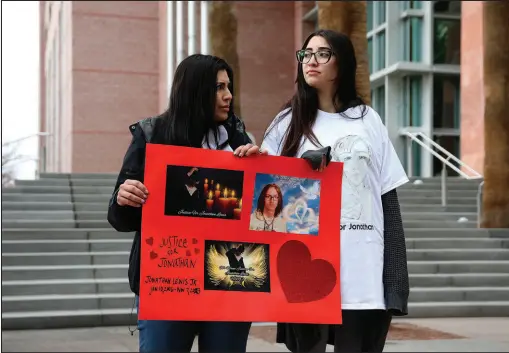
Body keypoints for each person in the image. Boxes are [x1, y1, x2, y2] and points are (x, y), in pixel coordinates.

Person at [235, 29, 410, 353]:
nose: (311, 61)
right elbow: (266, 204)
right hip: (304, 266)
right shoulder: (287, 122)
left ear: (341, 64)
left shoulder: (368, 119)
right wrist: (300, 168)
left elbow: (388, 201)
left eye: (322, 53)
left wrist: (397, 281)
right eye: (306, 54)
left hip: (363, 268)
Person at [107, 54, 253, 353]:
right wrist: (126, 197)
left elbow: (260, 215)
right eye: (218, 87)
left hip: (229, 280)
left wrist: (259, 172)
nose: (229, 96)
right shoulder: (152, 135)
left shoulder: (240, 138)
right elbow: (119, 218)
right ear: (194, 90)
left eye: (229, 86)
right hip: (169, 280)